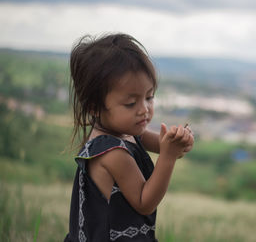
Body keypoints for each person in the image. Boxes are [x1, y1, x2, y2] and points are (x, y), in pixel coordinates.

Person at [64, 33, 194, 242]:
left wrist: (178, 142)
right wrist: (168, 156)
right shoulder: (112, 153)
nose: (144, 109)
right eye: (130, 104)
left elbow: (163, 145)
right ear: (94, 107)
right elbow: (145, 202)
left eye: (149, 97)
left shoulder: (126, 132)